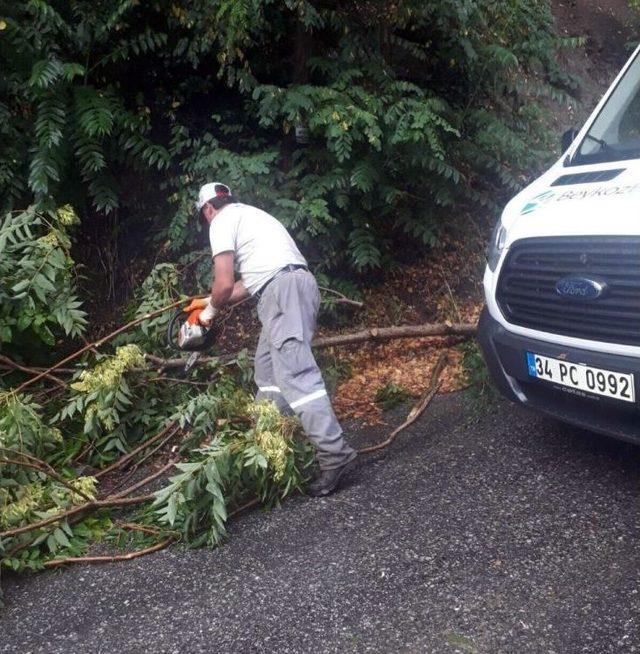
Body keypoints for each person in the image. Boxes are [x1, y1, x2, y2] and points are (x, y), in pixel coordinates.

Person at [188, 182, 357, 496]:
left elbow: (223, 284)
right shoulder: (251, 216)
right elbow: (245, 286)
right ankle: (266, 444)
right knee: (267, 371)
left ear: (208, 209)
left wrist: (209, 312)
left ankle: (335, 455)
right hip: (290, 287)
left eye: (205, 217)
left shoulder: (221, 221)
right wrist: (206, 301)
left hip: (282, 293)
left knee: (297, 376)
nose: (207, 222)